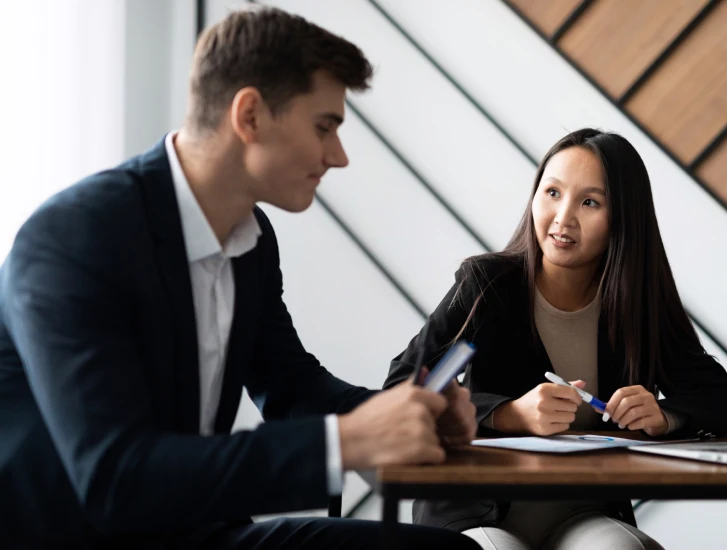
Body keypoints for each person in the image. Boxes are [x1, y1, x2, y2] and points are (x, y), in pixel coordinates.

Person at [0, 6, 481, 549]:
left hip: (196, 530)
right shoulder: (73, 238)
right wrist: (346, 442)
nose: (338, 156)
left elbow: (292, 390)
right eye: (325, 126)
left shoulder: (250, 240)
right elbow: (114, 479)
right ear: (249, 115)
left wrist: (407, 417)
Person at [385, 128, 727, 550]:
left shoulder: (636, 305)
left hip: (584, 515)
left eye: (589, 202)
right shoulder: (488, 288)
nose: (563, 218)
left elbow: (721, 399)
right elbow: (407, 385)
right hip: (476, 512)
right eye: (552, 193)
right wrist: (508, 415)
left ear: (624, 218)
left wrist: (665, 415)